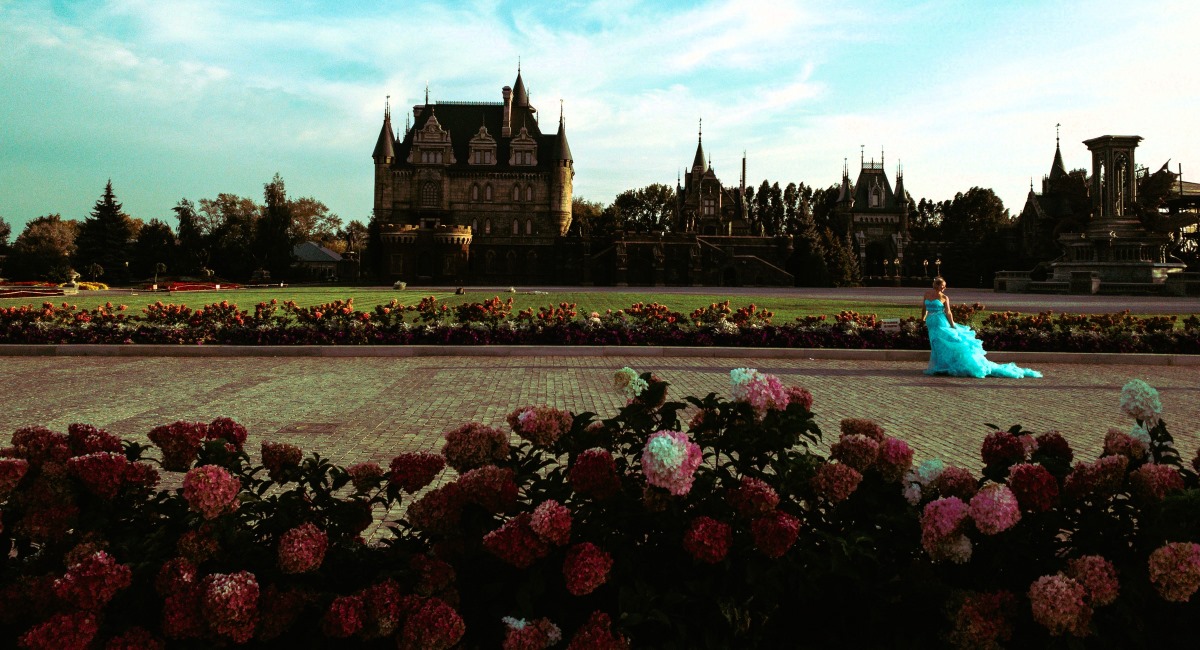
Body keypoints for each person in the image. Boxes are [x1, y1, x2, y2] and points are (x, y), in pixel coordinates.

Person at [921, 277, 1042, 378]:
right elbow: (924, 308)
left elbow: (948, 312)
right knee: (935, 343)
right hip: (931, 322)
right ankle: (939, 365)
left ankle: (946, 365)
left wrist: (952, 325)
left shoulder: (944, 297)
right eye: (942, 286)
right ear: (936, 285)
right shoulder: (927, 294)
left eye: (944, 286)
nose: (944, 288)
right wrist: (923, 318)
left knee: (946, 342)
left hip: (942, 322)